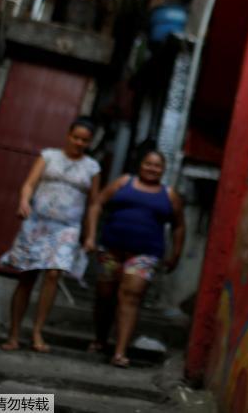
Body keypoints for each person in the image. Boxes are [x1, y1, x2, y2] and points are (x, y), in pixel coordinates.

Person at [0, 117, 101, 353]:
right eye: (76, 137)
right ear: (68, 135)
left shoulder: (92, 167)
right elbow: (29, 184)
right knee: (27, 276)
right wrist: (24, 201)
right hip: (37, 223)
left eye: (85, 140)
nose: (79, 142)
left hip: (67, 227)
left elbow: (94, 204)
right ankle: (14, 334)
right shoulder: (48, 156)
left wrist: (91, 235)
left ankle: (37, 331)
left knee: (54, 274)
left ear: (90, 142)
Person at [83, 148, 185, 368]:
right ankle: (100, 339)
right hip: (111, 251)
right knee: (105, 294)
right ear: (140, 165)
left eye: (157, 165)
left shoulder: (169, 195)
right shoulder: (123, 182)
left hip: (144, 255)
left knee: (130, 297)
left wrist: (175, 253)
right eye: (148, 163)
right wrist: (90, 236)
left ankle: (120, 352)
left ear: (164, 170)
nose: (152, 168)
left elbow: (179, 226)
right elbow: (97, 204)